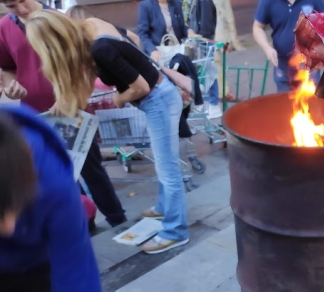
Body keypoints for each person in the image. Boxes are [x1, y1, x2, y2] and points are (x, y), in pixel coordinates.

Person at [27, 9, 191, 254]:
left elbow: (140, 87)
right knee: (163, 163)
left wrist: (118, 98)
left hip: (157, 99)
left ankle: (176, 231)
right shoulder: (91, 26)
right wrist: (59, 109)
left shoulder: (99, 49)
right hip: (159, 96)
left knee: (168, 169)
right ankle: (164, 206)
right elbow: (128, 48)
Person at [0, 0, 127, 229]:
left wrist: (69, 95)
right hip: (34, 112)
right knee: (58, 173)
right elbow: (8, 68)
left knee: (90, 168)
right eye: (11, 6)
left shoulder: (59, 18)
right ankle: (83, 219)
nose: (20, 9)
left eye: (22, 1)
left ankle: (117, 219)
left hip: (71, 108)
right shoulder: (4, 28)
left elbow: (84, 63)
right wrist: (10, 86)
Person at [0, 106, 103, 292]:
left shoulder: (54, 186)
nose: (9, 229)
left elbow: (77, 286)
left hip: (34, 264)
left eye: (13, 208)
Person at [253, 0, 324, 93]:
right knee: (285, 106)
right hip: (283, 68)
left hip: (309, 68)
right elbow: (257, 27)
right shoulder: (268, 1)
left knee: (312, 105)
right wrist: (267, 49)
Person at [187, 0, 223, 118]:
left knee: (208, 71)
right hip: (200, 39)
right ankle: (206, 103)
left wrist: (201, 38)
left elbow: (207, 22)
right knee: (203, 72)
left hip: (204, 39)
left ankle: (213, 104)